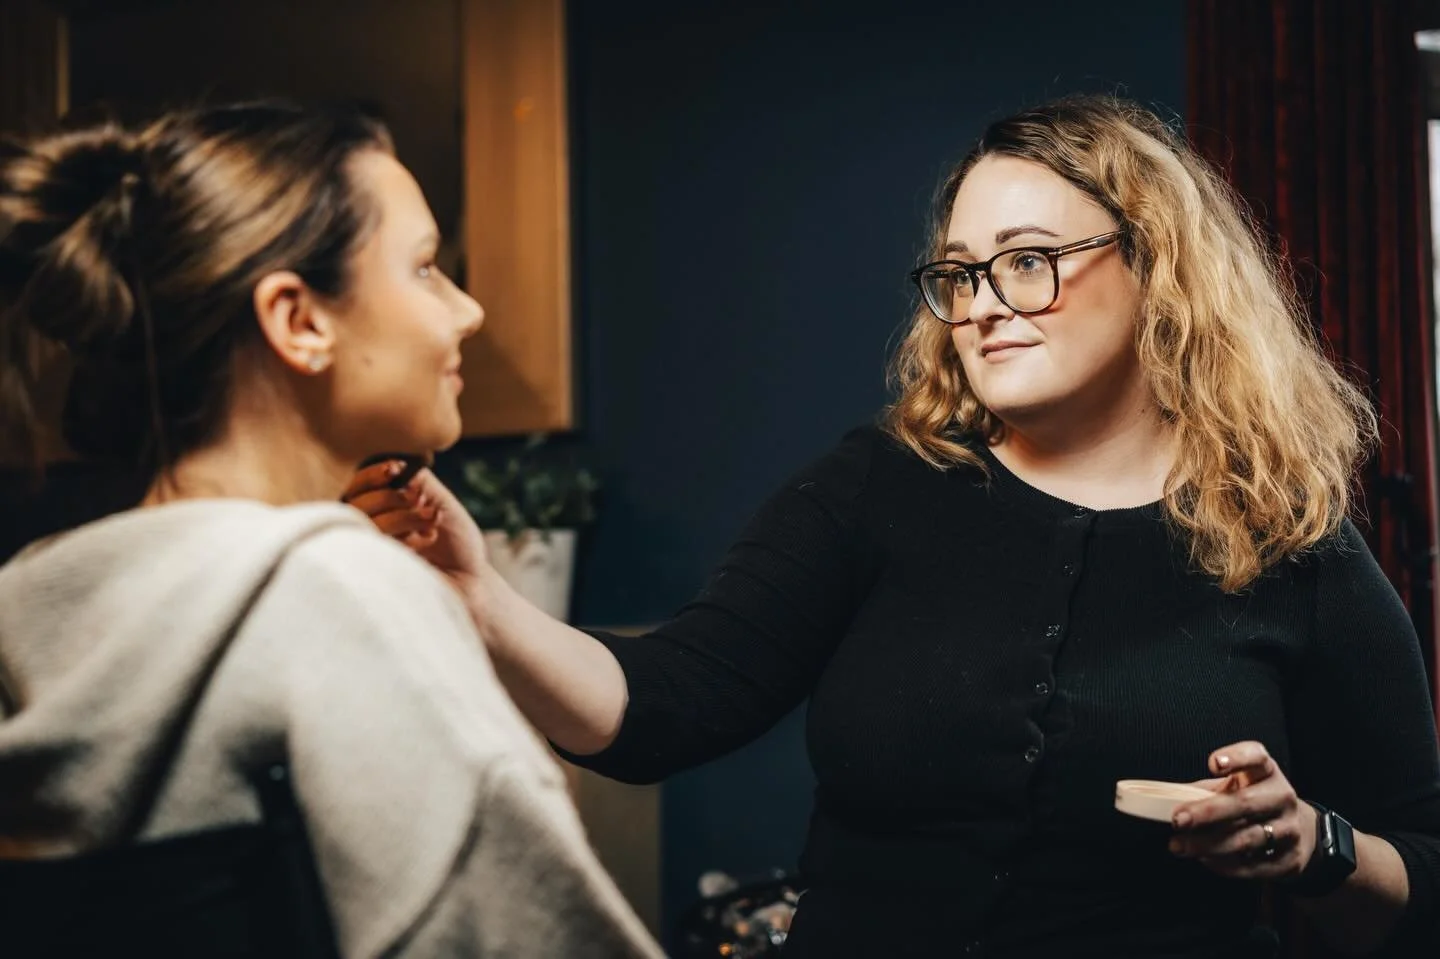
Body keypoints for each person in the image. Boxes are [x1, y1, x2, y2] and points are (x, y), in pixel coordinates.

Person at [351, 95, 1440, 957]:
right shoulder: (882, 484)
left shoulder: (1289, 542)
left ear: (1159, 270)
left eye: (1029, 260)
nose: (981, 301)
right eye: (961, 272)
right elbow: (662, 709)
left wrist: (1314, 846)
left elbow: (1420, 889)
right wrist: (478, 598)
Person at [0, 102, 661, 958]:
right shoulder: (339, 596)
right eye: (426, 268)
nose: (467, 312)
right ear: (300, 322)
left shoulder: (28, 606)